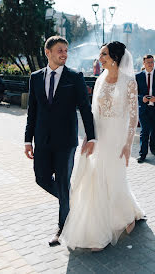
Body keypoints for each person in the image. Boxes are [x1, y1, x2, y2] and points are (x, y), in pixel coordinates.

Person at [62, 41, 144, 251]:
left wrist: (127, 145)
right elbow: (93, 113)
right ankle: (97, 229)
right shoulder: (99, 80)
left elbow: (134, 117)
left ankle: (124, 215)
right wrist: (89, 139)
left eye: (104, 54)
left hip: (117, 140)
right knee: (96, 178)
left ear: (115, 58)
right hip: (100, 136)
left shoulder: (129, 83)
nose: (100, 58)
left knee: (115, 179)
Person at [24, 36, 95, 246]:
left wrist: (92, 137)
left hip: (66, 141)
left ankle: (62, 228)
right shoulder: (35, 77)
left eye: (66, 50)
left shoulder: (75, 77)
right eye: (60, 50)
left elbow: (85, 109)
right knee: (41, 178)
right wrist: (28, 140)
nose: (64, 54)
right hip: (42, 140)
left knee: (63, 182)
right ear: (48, 52)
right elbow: (32, 111)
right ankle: (71, 201)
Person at [136, 55, 155, 163]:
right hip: (144, 108)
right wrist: (141, 98)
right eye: (148, 62)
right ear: (143, 63)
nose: (150, 64)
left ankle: (154, 149)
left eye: (152, 62)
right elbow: (133, 93)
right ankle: (142, 154)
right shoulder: (138, 76)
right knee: (144, 132)